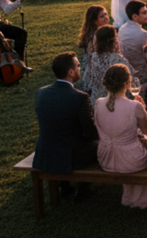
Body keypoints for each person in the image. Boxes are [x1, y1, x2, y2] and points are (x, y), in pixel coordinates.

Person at [94, 64, 147, 208]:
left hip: (105, 159)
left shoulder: (98, 103)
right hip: (131, 161)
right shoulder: (134, 106)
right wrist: (142, 110)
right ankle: (145, 194)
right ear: (127, 84)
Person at [33, 52, 98, 199]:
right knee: (100, 145)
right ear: (71, 72)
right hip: (70, 156)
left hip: (46, 152)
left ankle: (64, 186)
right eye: (78, 66)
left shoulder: (41, 92)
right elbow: (90, 134)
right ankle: (83, 188)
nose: (80, 69)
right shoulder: (80, 97)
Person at [80, 25, 135, 104]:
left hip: (96, 101)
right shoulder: (120, 60)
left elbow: (87, 83)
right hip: (115, 102)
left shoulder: (93, 57)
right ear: (114, 40)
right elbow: (131, 82)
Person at [118, 0, 147, 83]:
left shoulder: (122, 29)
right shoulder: (143, 34)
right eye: (144, 13)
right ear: (135, 16)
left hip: (125, 72)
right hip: (142, 75)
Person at [76, 5, 109, 78]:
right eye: (102, 16)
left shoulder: (102, 32)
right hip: (95, 69)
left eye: (106, 14)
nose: (106, 18)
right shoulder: (94, 36)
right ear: (94, 21)